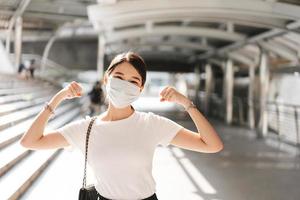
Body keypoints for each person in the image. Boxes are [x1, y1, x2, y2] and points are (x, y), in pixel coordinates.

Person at [20, 52, 223, 200]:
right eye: (118, 77)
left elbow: (212, 145)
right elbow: (30, 141)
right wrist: (58, 98)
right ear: (106, 79)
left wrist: (186, 103)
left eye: (134, 81)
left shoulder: (151, 124)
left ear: (141, 88)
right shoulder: (86, 128)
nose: (125, 84)